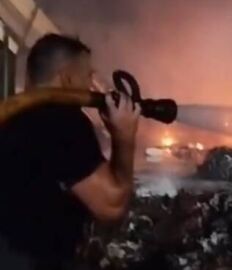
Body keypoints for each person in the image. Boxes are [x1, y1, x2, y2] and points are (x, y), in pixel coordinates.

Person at [0, 34, 140, 269]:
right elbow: (111, 205)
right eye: (87, 75)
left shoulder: (13, 118)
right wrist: (124, 136)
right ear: (67, 78)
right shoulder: (61, 121)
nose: (92, 84)